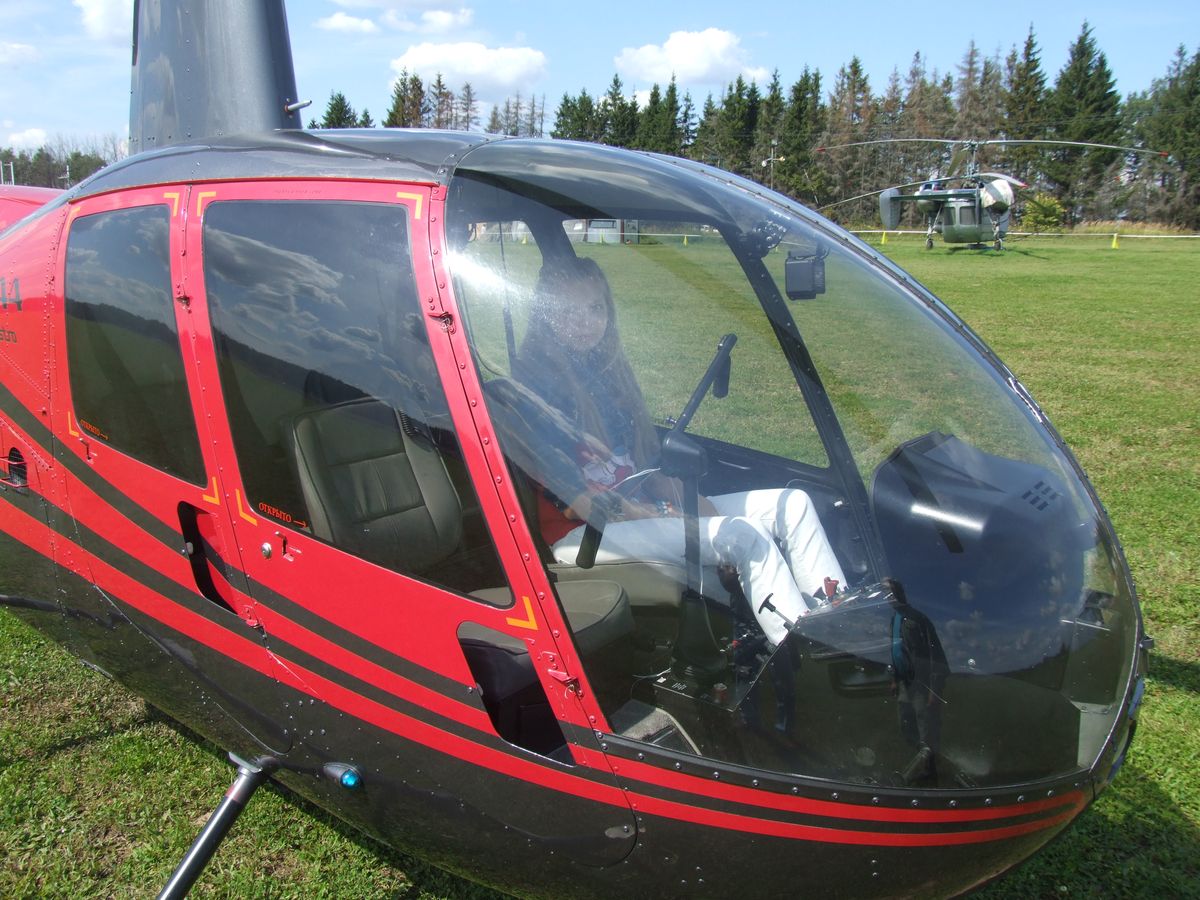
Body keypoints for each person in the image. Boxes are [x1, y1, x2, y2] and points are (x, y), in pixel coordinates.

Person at [510, 256, 846, 646]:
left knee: (793, 504)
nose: (585, 322)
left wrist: (693, 504)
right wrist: (659, 514)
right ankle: (806, 652)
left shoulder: (606, 375)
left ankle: (837, 621)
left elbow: (648, 469)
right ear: (546, 316)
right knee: (744, 535)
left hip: (635, 512)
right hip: (583, 534)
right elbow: (575, 500)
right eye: (569, 311)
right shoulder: (538, 390)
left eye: (595, 308)